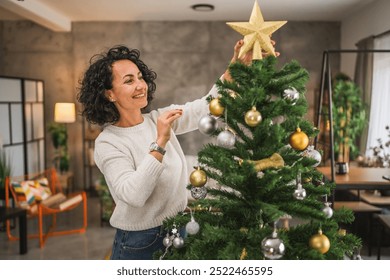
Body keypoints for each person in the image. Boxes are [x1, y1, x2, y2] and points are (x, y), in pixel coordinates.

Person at [77, 39, 276, 260]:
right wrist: (160, 141)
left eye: (140, 77)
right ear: (109, 94)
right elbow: (133, 195)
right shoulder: (108, 142)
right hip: (139, 243)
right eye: (129, 80)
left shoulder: (157, 119)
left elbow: (207, 105)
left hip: (178, 229)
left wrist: (237, 65)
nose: (140, 85)